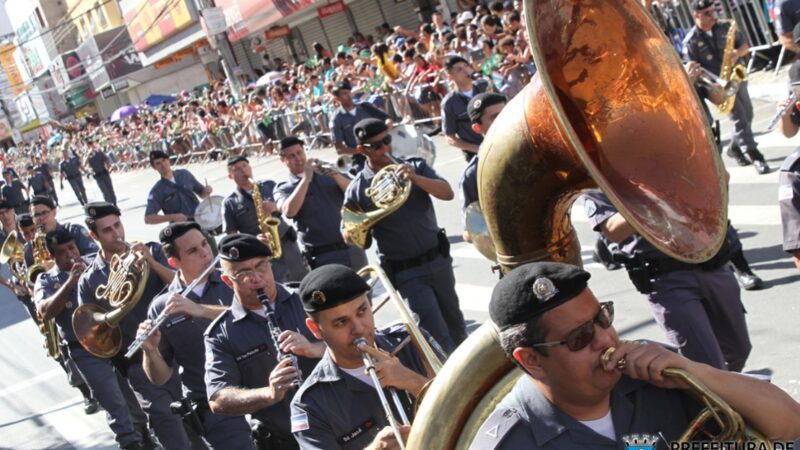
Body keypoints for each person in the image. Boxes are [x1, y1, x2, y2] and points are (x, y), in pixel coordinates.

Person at [472, 262, 800, 449]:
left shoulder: (652, 371)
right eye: (580, 337)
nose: (605, 339)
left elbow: (790, 426)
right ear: (531, 360)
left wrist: (694, 371)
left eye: (603, 318)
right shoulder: (507, 443)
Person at [583, 191, 752, 371]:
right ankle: (718, 393)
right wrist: (658, 196)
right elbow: (613, 230)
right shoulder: (599, 179)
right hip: (667, 279)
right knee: (705, 362)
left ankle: (726, 387)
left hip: (712, 265)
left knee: (739, 349)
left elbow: (719, 182)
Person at [343, 118, 466, 352]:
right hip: (406, 271)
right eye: (376, 146)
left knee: (455, 323)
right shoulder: (358, 187)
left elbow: (447, 193)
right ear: (361, 150)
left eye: (387, 141)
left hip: (437, 259)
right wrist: (357, 228)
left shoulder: (414, 165)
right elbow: (348, 232)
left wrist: (416, 179)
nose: (385, 149)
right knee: (434, 332)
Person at [77, 201, 193, 449]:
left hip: (179, 348)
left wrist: (151, 261)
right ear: (93, 235)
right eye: (107, 230)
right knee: (166, 421)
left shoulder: (149, 250)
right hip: (139, 361)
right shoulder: (89, 281)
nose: (116, 234)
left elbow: (181, 285)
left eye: (118, 225)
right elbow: (93, 331)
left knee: (199, 415)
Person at [291, 264, 439, 450]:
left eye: (362, 311)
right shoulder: (308, 404)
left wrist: (412, 381)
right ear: (315, 329)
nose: (359, 328)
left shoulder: (412, 342)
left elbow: (469, 403)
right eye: (341, 322)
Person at [136, 221, 253, 449]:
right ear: (174, 262)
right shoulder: (161, 307)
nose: (205, 253)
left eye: (204, 244)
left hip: (261, 388)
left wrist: (201, 310)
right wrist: (149, 352)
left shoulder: (235, 280)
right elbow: (160, 377)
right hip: (215, 405)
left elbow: (256, 315)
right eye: (193, 251)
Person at [204, 234, 324, 449]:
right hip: (283, 440)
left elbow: (362, 343)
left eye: (261, 267)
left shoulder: (308, 298)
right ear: (226, 281)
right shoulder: (221, 334)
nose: (257, 278)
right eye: (243, 273)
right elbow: (218, 399)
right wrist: (269, 393)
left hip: (339, 424)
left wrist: (315, 349)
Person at [35, 229, 152, 449]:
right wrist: (70, 283)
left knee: (133, 392)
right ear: (52, 257)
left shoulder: (94, 263)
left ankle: (144, 432)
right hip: (82, 348)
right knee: (111, 398)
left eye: (72, 247)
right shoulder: (46, 279)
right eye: (62, 252)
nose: (71, 254)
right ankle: (130, 442)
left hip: (113, 339)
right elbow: (45, 311)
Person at [682, 0, 769, 174]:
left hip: (736, 77)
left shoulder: (725, 27)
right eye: (707, 13)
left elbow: (744, 46)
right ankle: (754, 154)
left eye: (713, 10)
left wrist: (737, 53)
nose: (713, 15)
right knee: (739, 117)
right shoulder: (690, 41)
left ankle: (735, 147)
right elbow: (692, 68)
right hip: (718, 86)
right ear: (696, 15)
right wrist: (710, 82)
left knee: (749, 113)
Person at [274, 137, 368, 270]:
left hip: (353, 247)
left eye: (300, 153)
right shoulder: (283, 188)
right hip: (323, 255)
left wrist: (336, 175)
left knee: (366, 289)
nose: (298, 158)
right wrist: (306, 178)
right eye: (292, 156)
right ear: (283, 160)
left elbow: (355, 193)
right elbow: (289, 211)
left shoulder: (327, 173)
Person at [223, 155, 308, 283]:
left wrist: (276, 207)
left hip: (287, 243)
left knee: (304, 279)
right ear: (230, 176)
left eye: (245, 166)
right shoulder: (229, 202)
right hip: (262, 253)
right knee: (280, 286)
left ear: (250, 167)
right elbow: (232, 237)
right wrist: (252, 241)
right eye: (237, 169)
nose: (243, 171)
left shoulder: (269, 185)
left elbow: (289, 208)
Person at [459, 92, 506, 242]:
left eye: (505, 112)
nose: (505, 118)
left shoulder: (532, 150)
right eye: (495, 117)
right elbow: (470, 231)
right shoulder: (472, 174)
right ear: (477, 128)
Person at [25, 195, 98, 267]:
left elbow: (94, 256)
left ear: (54, 212)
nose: (40, 218)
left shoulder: (74, 231)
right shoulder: (30, 248)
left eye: (44, 213)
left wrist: (67, 262)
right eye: (36, 215)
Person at [441, 55, 490, 162]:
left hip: (500, 142)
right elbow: (450, 137)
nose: (465, 71)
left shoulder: (485, 86)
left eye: (466, 66)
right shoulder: (449, 103)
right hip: (477, 155)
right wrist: (477, 149)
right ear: (450, 76)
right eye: (459, 69)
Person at [144, 150, 213, 225]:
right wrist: (172, 217)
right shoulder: (157, 191)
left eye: (164, 160)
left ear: (168, 160)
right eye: (158, 163)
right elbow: (148, 218)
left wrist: (207, 191)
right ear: (154, 167)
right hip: (181, 228)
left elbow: (201, 193)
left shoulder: (184, 174)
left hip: (200, 219)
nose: (163, 165)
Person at [329, 81, 392, 157]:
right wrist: (362, 151)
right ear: (337, 98)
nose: (349, 95)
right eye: (344, 93)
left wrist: (385, 135)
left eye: (349, 92)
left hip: (380, 149)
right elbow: (339, 149)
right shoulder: (336, 119)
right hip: (360, 156)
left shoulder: (365, 106)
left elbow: (388, 119)